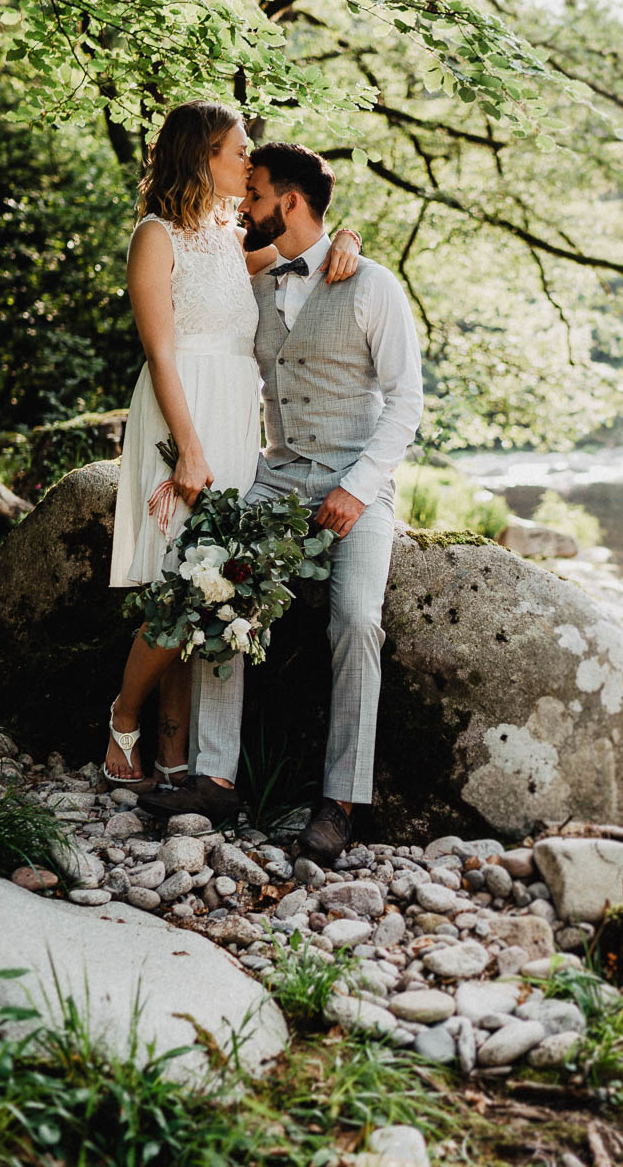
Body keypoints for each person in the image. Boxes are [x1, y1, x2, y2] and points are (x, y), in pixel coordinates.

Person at [142, 141, 423, 865]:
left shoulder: (372, 286)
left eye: (257, 193)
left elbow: (407, 401)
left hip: (357, 479)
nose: (246, 205)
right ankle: (214, 776)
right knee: (217, 586)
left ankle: (340, 800)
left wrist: (358, 490)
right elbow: (186, 276)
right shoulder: (256, 278)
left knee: (358, 619)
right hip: (277, 476)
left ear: (290, 203)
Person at [102, 102, 361, 792]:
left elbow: (305, 241)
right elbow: (160, 351)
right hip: (179, 411)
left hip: (234, 416)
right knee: (177, 582)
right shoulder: (154, 237)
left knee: (209, 583)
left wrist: (350, 241)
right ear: (202, 155)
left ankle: (176, 757)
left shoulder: (226, 233)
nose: (249, 162)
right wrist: (187, 447)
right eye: (238, 150)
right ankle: (124, 718)